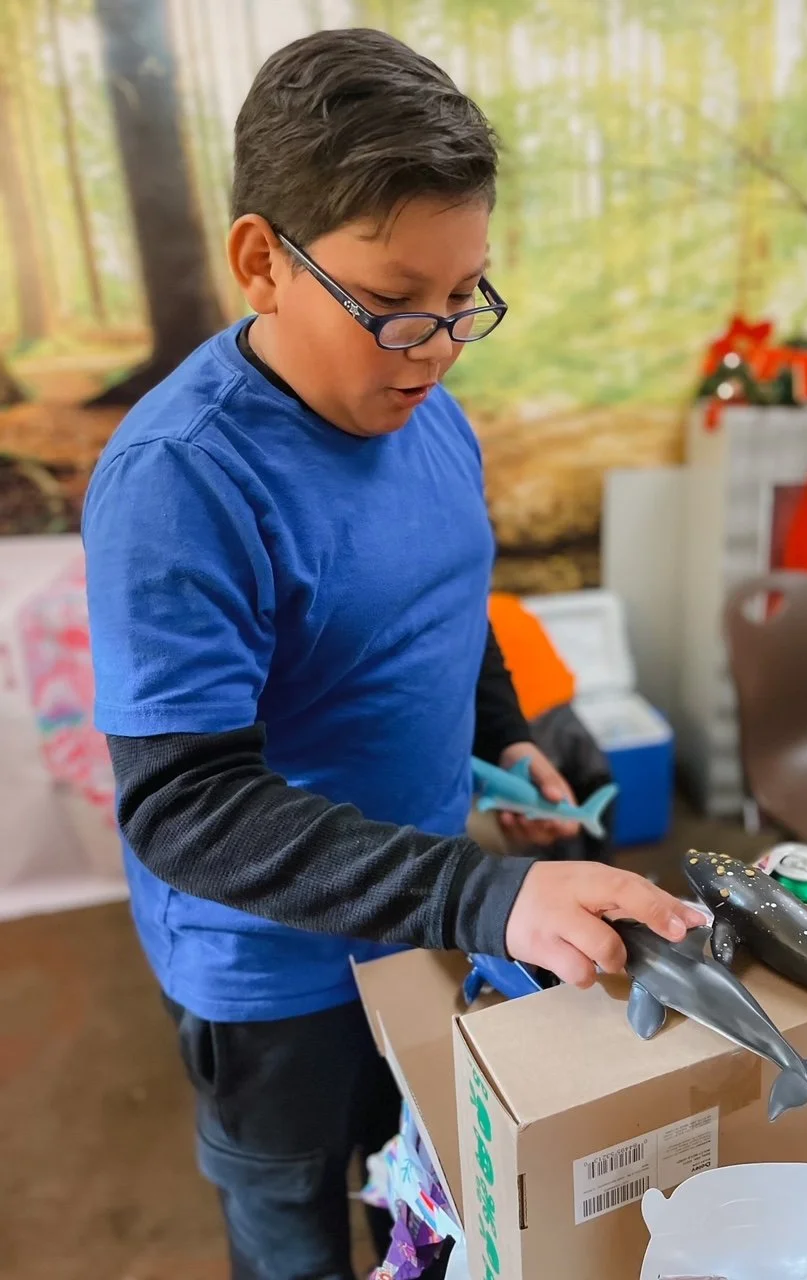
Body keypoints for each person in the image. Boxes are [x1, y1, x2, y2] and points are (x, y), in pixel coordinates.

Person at [82, 27, 703, 1280]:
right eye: (392, 304)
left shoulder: (429, 409)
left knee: (425, 1207)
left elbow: (448, 598)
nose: (435, 346)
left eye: (463, 298)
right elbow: (184, 802)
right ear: (263, 260)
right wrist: (486, 893)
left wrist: (504, 739)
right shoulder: (181, 482)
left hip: (417, 926)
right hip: (271, 981)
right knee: (299, 1238)